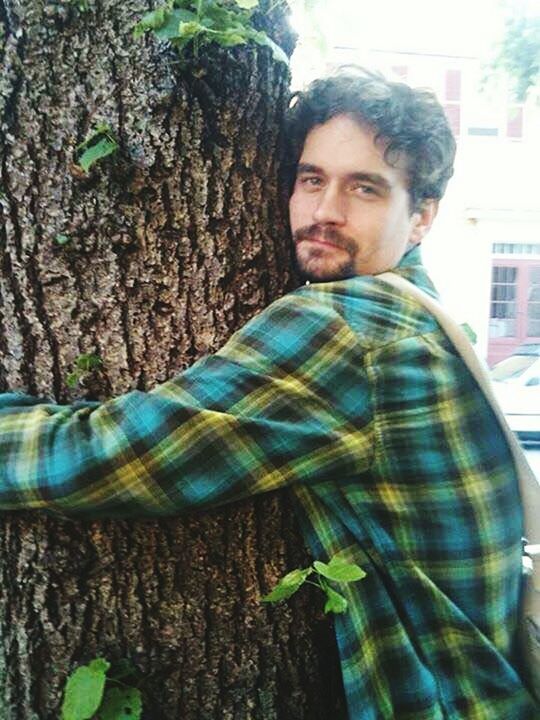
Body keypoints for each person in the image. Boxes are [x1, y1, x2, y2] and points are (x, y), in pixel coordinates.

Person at [0, 68, 538, 719]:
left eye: (365, 188)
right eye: (311, 179)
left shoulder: (345, 330)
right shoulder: (420, 310)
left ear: (421, 216)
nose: (324, 212)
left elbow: (106, 457)